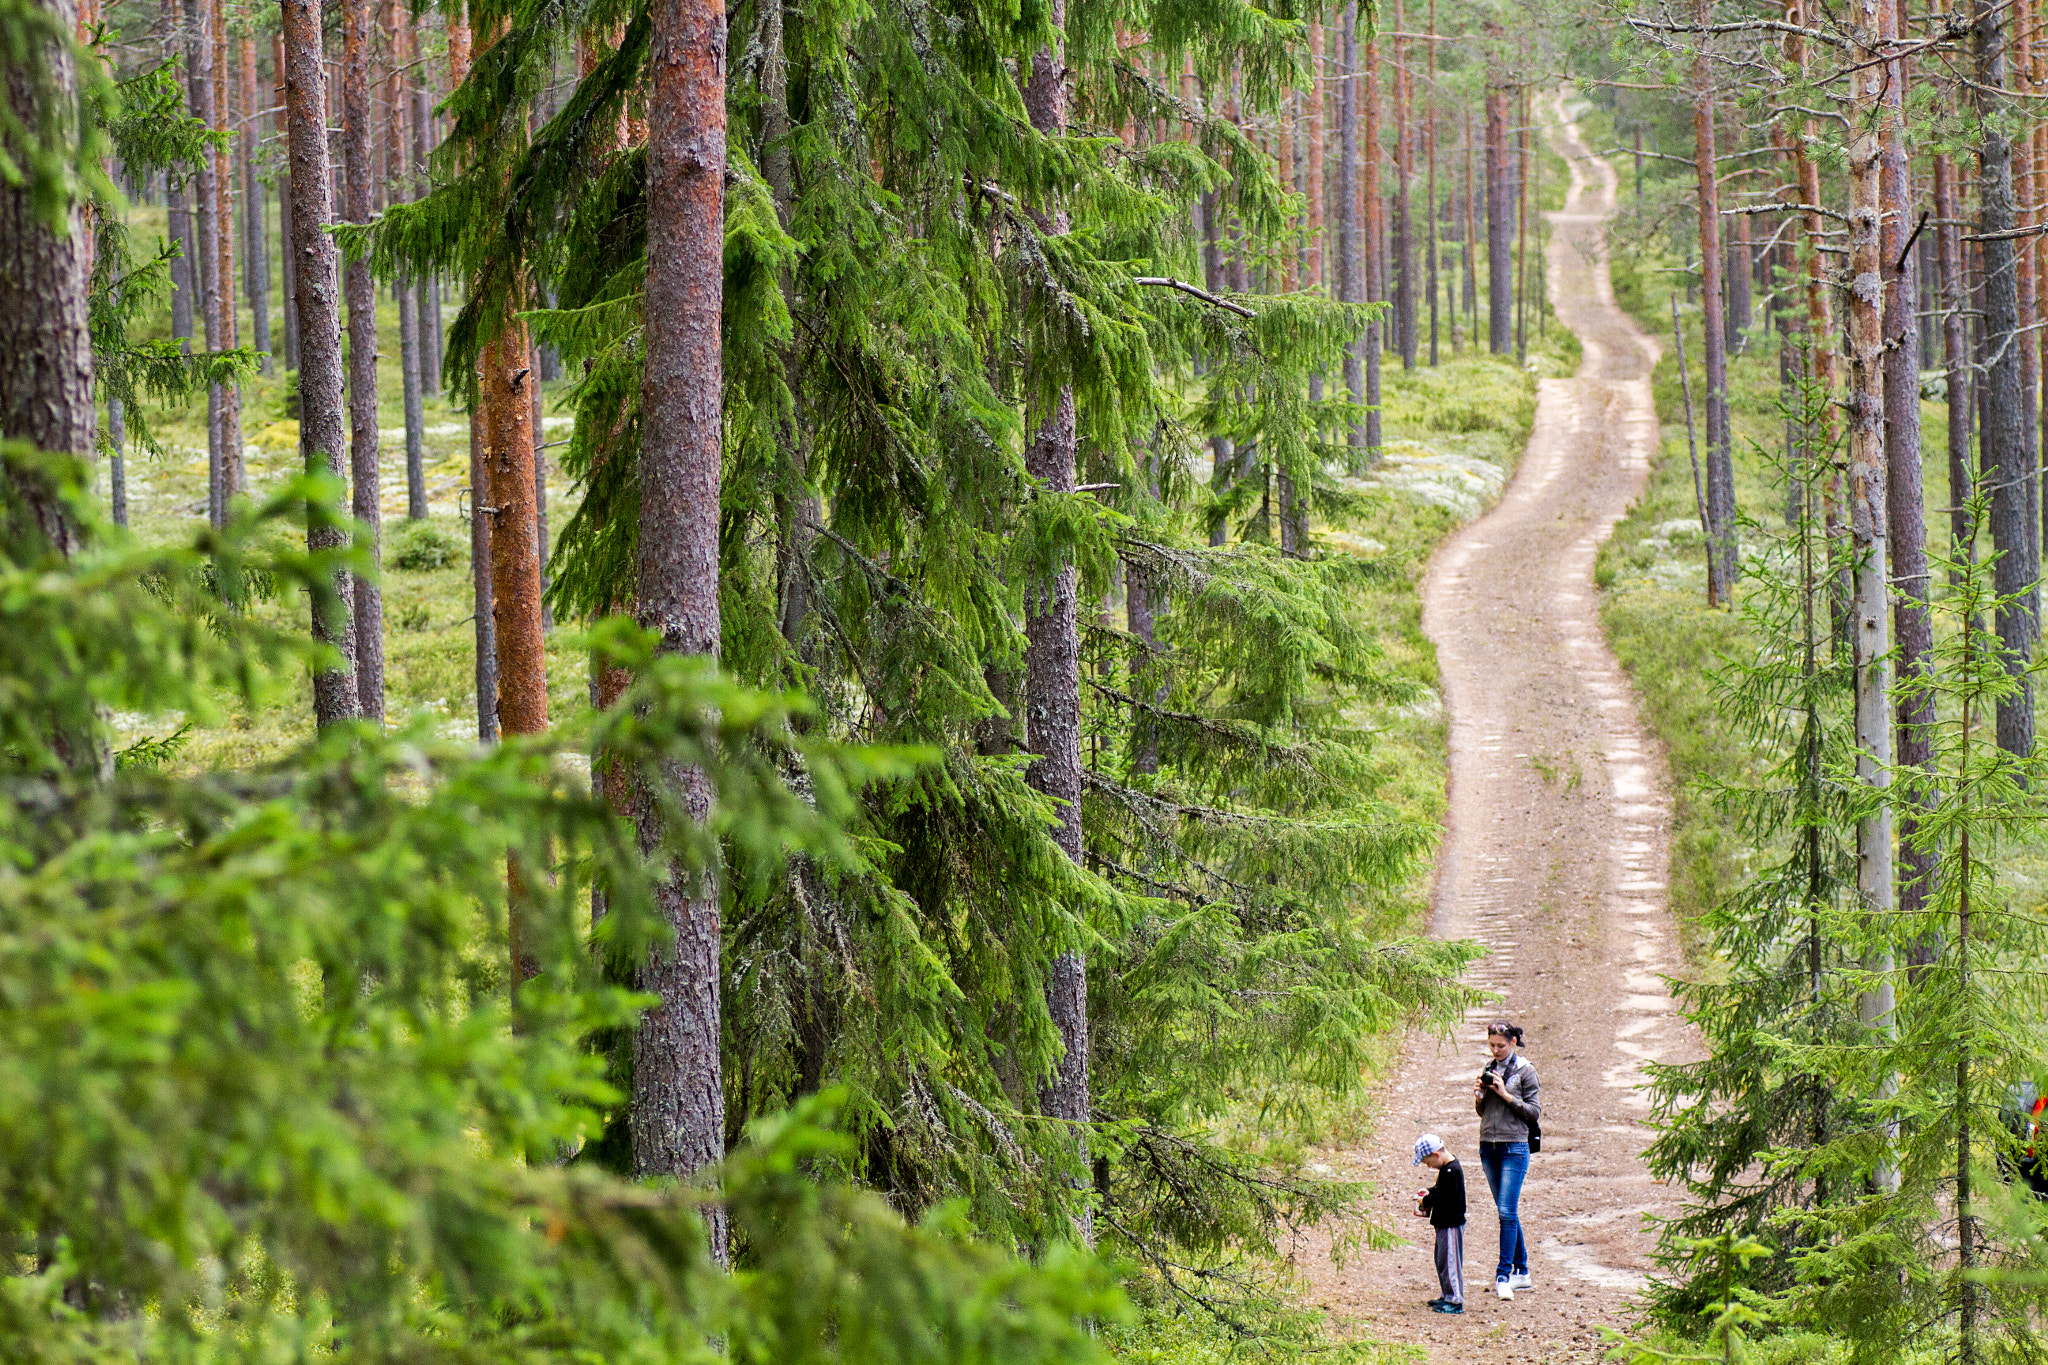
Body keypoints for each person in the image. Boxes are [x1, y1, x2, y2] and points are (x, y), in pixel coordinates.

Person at [1473, 1020, 1540, 1301]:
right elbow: (1482, 1112)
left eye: (1500, 1045)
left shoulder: (1526, 1071)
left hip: (1514, 1146)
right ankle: (1522, 1272)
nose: (1496, 1050)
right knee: (1507, 1211)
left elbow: (1534, 1112)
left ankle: (1504, 1275)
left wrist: (1505, 1094)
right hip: (1488, 1146)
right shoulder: (1488, 1068)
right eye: (1491, 1045)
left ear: (1513, 1042)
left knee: (1505, 1213)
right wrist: (1480, 1096)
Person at [1413, 1132, 1466, 1314]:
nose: (1429, 1167)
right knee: (1441, 1259)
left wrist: (1427, 1201)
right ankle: (1446, 1294)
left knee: (1451, 1260)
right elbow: (1441, 1190)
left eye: (1428, 1163)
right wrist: (1429, 1192)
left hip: (1451, 1223)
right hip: (1443, 1223)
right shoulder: (1446, 1170)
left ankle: (1455, 1300)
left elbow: (1448, 1198)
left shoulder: (1453, 1170)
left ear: (1436, 1155)